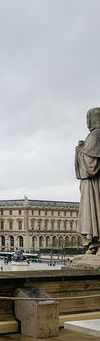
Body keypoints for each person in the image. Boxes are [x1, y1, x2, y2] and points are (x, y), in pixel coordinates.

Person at [75, 107, 100, 254]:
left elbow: (90, 166)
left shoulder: (94, 136)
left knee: (92, 213)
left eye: (88, 119)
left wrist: (79, 149)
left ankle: (94, 243)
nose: (86, 123)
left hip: (92, 184)